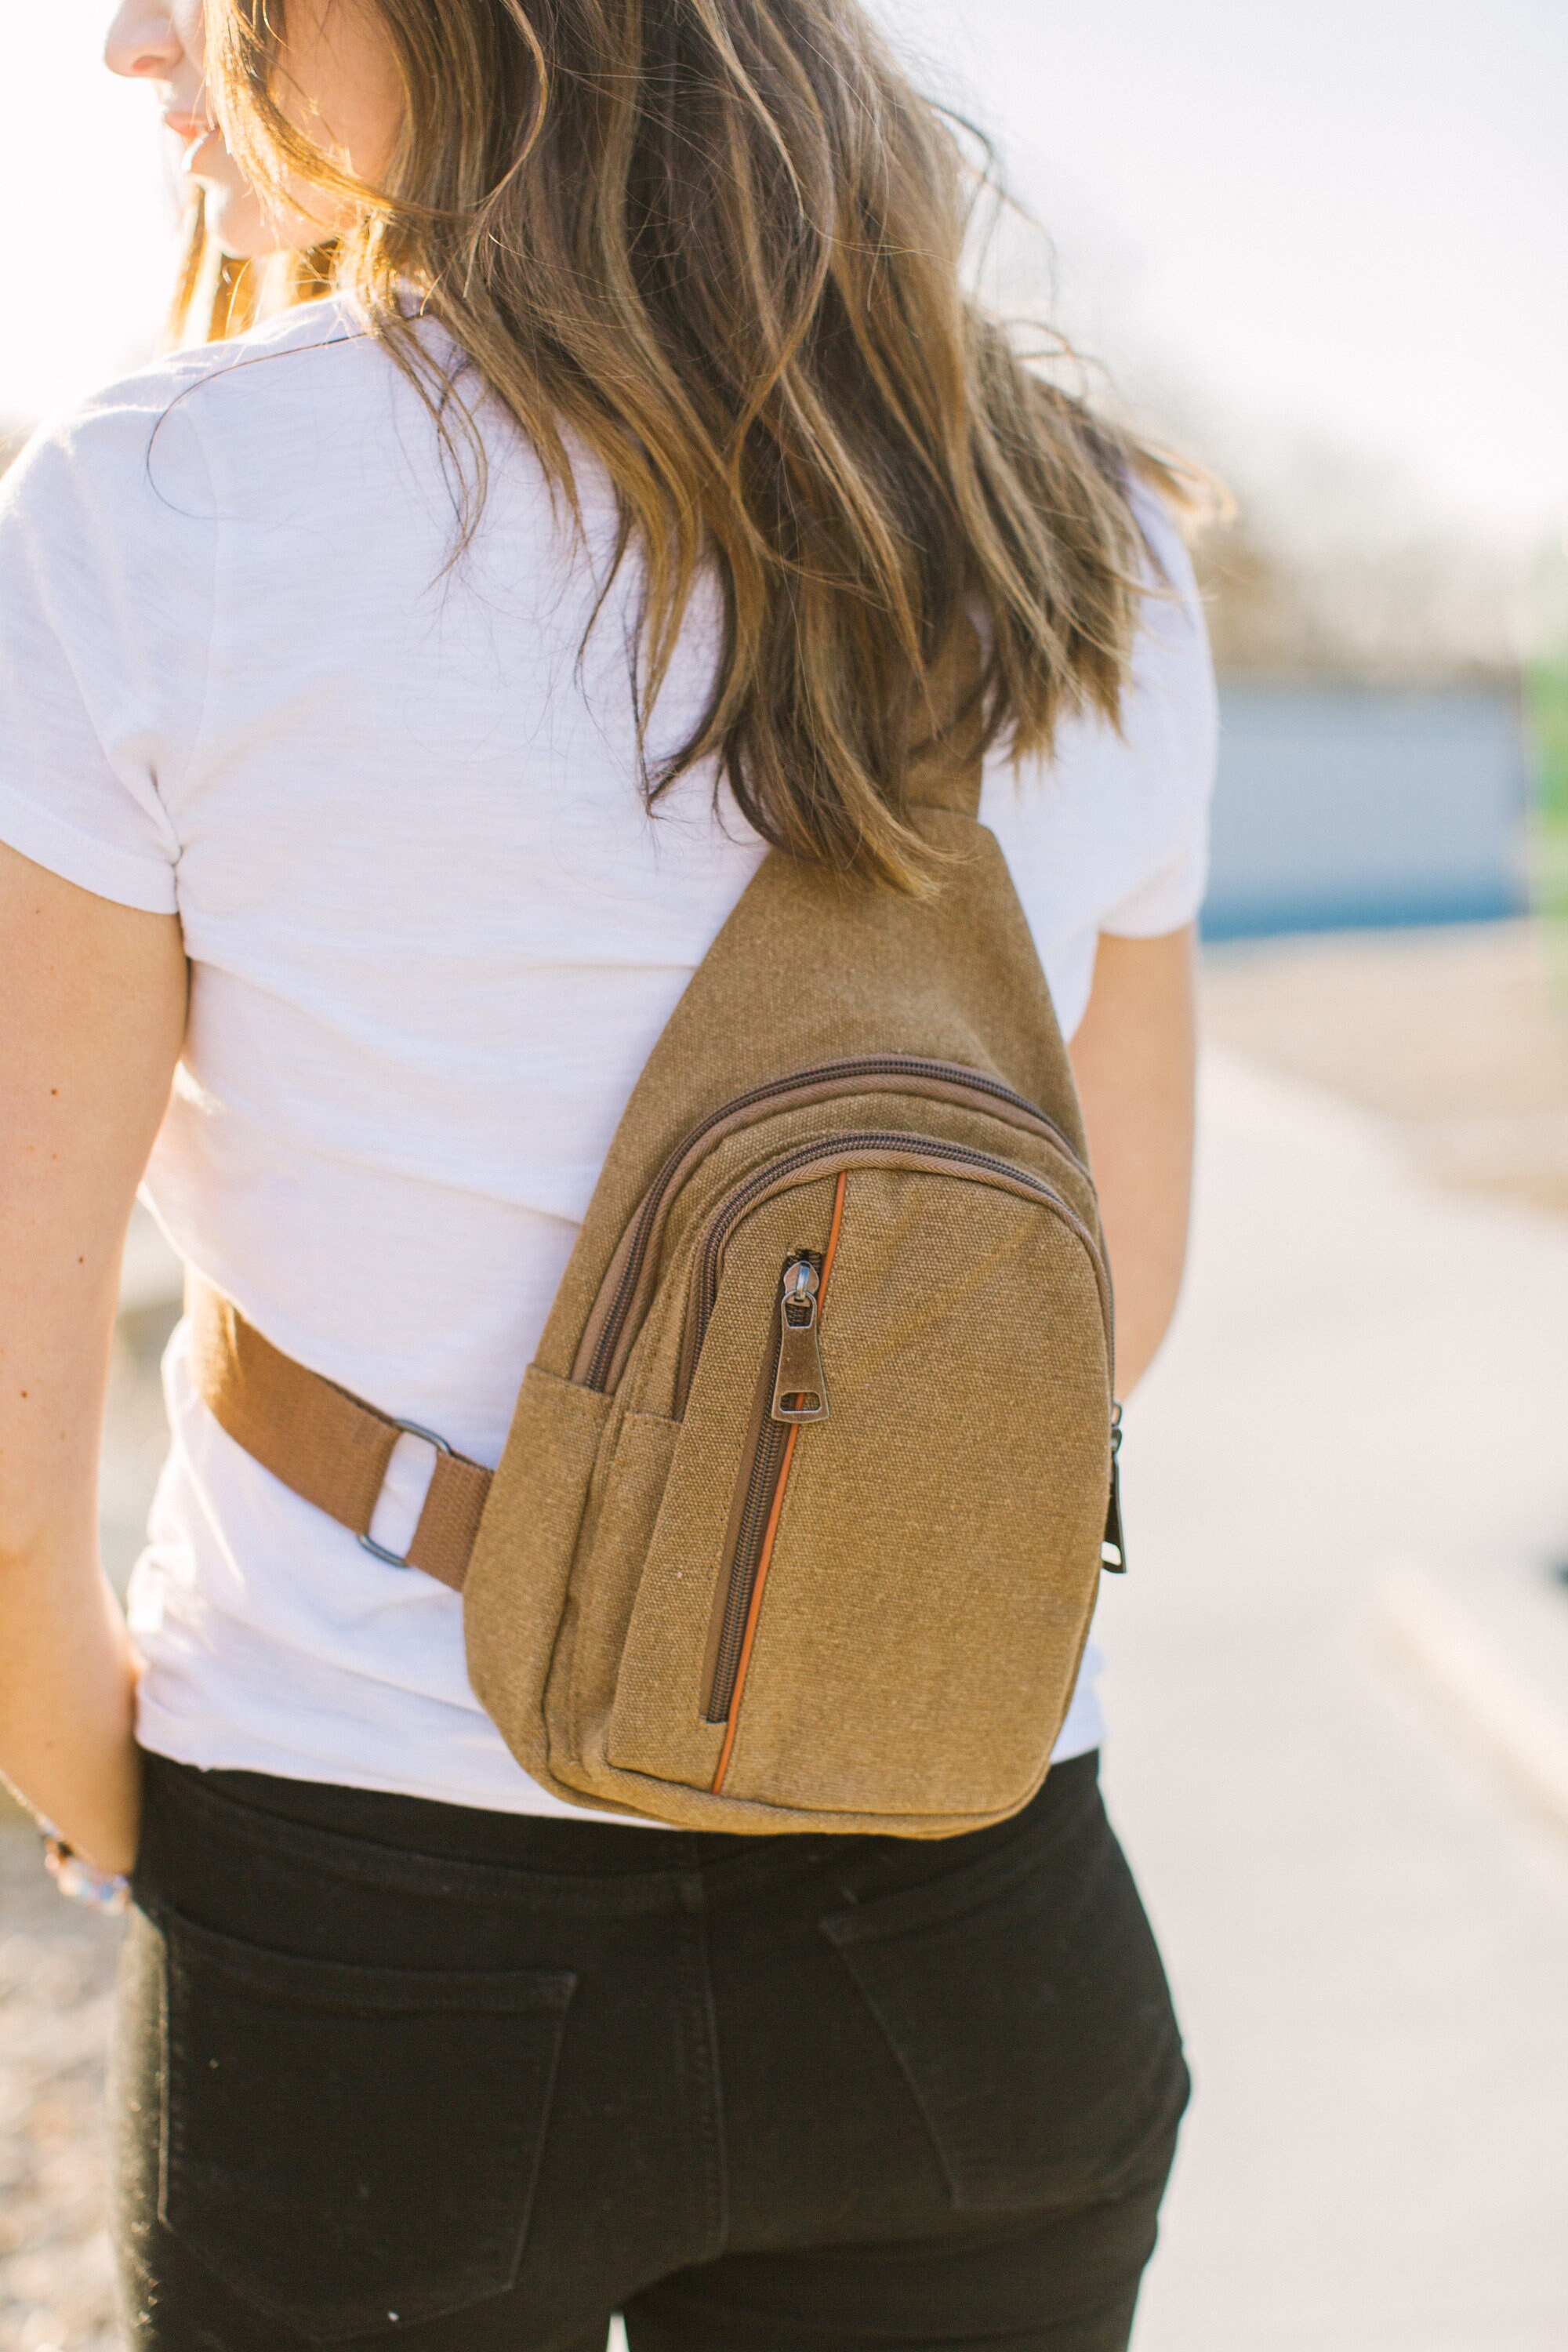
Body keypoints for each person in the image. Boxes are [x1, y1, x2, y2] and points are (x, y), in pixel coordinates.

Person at [0, 3, 1214, 2345]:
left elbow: (14, 1461)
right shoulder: (1096, 532)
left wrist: (145, 1810)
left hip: (377, 1933)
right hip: (978, 1922)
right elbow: (1113, 1296)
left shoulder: (165, 511)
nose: (143, 43)